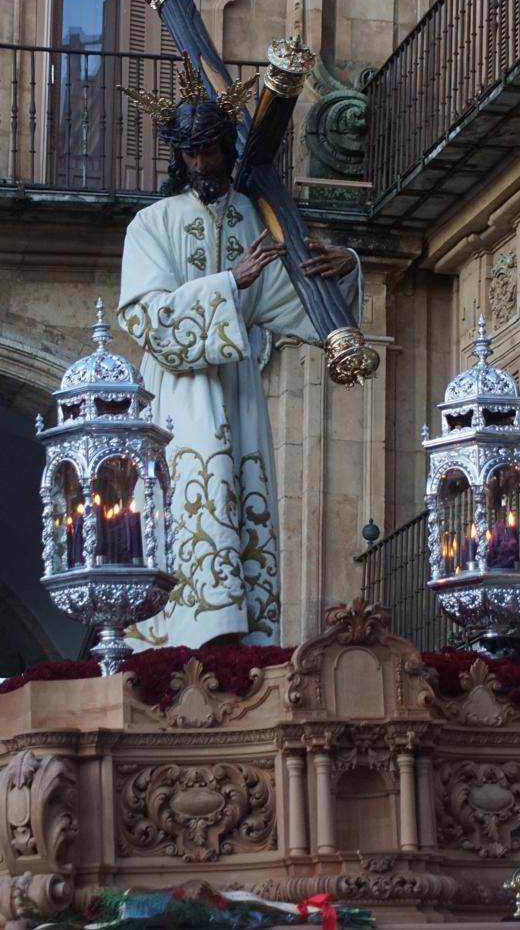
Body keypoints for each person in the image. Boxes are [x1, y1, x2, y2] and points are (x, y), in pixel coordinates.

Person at [118, 66, 359, 648]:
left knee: (241, 494)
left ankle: (242, 639)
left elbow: (294, 299)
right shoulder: (152, 224)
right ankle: (181, 636)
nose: (201, 163)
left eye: (210, 149)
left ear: (229, 148)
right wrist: (230, 283)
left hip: (239, 388)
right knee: (188, 500)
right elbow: (146, 317)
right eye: (191, 153)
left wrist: (346, 266)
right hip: (177, 394)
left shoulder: (257, 216)